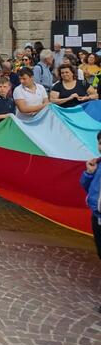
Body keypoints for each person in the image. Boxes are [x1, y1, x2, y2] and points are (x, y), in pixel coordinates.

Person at [79, 132, 101, 313]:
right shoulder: (98, 164)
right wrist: (89, 173)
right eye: (100, 143)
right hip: (96, 216)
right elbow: (87, 186)